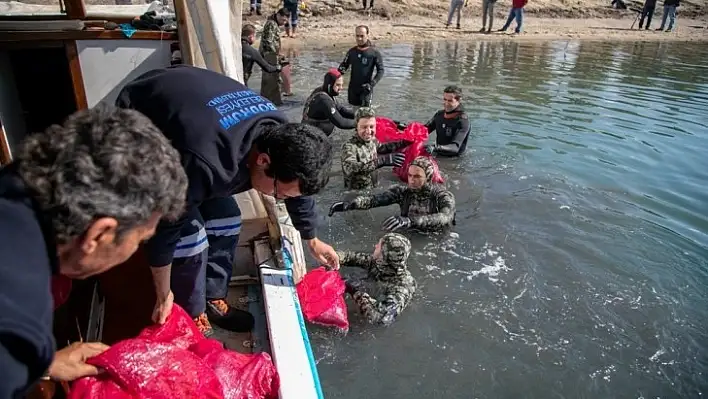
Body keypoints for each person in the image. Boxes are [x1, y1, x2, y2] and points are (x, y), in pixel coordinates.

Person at [116, 65, 339, 337]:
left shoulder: (281, 135)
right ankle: (190, 313)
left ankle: (212, 297)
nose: (278, 199)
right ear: (263, 161)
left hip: (195, 107)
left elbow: (296, 191)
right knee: (191, 237)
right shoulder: (206, 163)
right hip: (141, 117)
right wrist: (163, 295)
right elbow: (165, 229)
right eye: (279, 194)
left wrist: (311, 239)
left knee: (228, 218)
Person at [0, 106, 188, 397]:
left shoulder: (12, 185)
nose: (136, 249)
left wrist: (43, 364)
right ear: (99, 233)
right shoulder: (18, 321)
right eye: (140, 240)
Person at [329, 156, 456, 231]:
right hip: (409, 234)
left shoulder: (442, 196)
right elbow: (375, 200)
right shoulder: (402, 192)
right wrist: (350, 204)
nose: (411, 180)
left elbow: (445, 217)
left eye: (417, 176)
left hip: (437, 240)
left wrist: (410, 221)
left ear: (428, 178)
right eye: (410, 175)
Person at [338, 233, 416, 326]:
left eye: (379, 245)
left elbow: (382, 318)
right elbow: (350, 257)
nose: (375, 246)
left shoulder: (403, 285)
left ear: (384, 254)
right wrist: (335, 257)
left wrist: (355, 291)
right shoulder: (379, 263)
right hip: (372, 290)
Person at [341, 107, 409, 190]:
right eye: (364, 127)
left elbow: (383, 148)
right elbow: (350, 169)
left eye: (371, 127)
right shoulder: (349, 146)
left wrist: (404, 143)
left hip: (372, 188)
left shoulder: (372, 140)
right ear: (356, 127)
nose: (369, 131)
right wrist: (382, 161)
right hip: (356, 193)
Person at [338, 25, 384, 108]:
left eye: (362, 36)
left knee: (365, 114)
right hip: (352, 90)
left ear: (367, 35)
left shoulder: (374, 53)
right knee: (351, 114)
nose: (359, 38)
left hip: (366, 89)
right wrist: (334, 77)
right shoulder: (352, 52)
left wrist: (372, 84)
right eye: (357, 36)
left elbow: (381, 71)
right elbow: (344, 66)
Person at [302, 68, 356, 136]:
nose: (341, 88)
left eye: (342, 85)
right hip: (312, 138)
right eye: (338, 85)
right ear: (329, 85)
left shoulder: (324, 91)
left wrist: (360, 115)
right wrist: (360, 123)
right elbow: (341, 123)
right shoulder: (323, 99)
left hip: (318, 134)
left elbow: (341, 109)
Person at [421, 85, 470, 158]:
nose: (446, 103)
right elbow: (424, 130)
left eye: (450, 101)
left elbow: (455, 147)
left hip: (454, 159)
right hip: (437, 152)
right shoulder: (439, 115)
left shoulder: (463, 121)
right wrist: (404, 129)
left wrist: (435, 148)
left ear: (459, 100)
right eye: (445, 99)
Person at [260, 8, 292, 105]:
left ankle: (270, 99)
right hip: (269, 55)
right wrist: (276, 54)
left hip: (271, 54)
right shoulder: (271, 24)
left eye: (286, 20)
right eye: (283, 20)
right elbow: (269, 41)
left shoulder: (273, 23)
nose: (284, 23)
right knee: (272, 80)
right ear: (278, 15)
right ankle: (273, 102)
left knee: (272, 79)